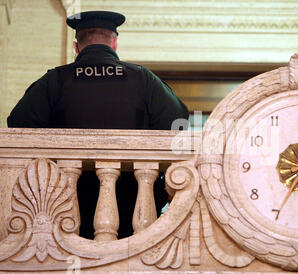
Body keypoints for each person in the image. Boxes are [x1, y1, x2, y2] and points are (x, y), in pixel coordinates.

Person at [7, 11, 189, 239]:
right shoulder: (143, 79)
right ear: (114, 42)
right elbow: (179, 124)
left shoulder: (54, 81)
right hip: (133, 207)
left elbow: (18, 125)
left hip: (64, 206)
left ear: (76, 46)